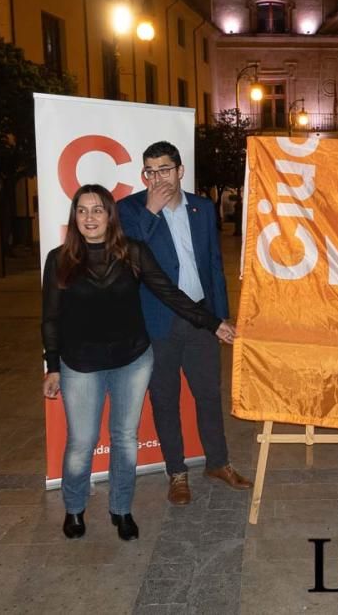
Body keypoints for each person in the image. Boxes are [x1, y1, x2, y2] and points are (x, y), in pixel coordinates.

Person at [41, 185, 235, 541]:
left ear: (110, 215)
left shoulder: (133, 252)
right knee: (82, 442)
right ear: (75, 217)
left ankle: (121, 509)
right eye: (82, 211)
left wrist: (213, 322)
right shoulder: (59, 259)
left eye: (97, 210)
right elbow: (50, 318)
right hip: (81, 364)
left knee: (125, 439)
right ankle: (74, 508)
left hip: (131, 360)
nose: (90, 218)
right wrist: (52, 366)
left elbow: (171, 294)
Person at [117, 141, 252, 507]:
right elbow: (128, 254)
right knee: (164, 399)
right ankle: (176, 473)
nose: (156, 177)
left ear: (179, 170)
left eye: (163, 169)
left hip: (201, 318)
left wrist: (219, 315)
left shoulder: (202, 207)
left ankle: (218, 462)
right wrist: (151, 211)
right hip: (156, 322)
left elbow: (211, 264)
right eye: (150, 171)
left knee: (208, 394)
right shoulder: (129, 209)